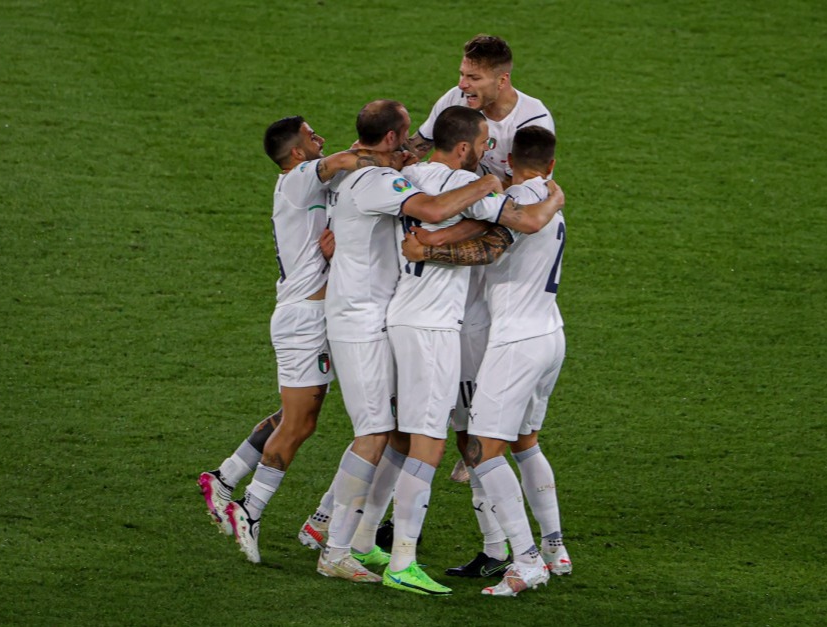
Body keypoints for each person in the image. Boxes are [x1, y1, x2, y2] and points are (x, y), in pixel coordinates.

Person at [314, 99, 506, 584]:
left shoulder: (402, 176)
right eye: (483, 144)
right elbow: (508, 222)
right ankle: (398, 559)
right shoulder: (442, 182)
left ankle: (358, 541)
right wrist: (500, 185)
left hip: (393, 316)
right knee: (417, 440)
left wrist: (439, 237)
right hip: (420, 325)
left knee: (397, 435)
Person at [198, 116, 404, 564]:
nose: (320, 140)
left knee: (296, 414)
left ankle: (225, 477)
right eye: (312, 137)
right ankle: (249, 511)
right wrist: (389, 150)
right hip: (302, 319)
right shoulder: (295, 180)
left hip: (316, 315)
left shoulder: (312, 184)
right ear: (295, 151)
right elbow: (350, 156)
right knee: (299, 424)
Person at [380, 105, 566, 595]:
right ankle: (550, 548)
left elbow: (494, 242)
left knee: (478, 450)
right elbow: (505, 224)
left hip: (506, 340)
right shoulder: (539, 193)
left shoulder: (427, 179)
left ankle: (521, 559)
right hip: (548, 333)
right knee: (521, 444)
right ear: (551, 163)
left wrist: (429, 248)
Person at [406, 34, 554, 188]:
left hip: (504, 204)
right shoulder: (456, 98)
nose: (462, 85)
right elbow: (418, 146)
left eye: (474, 78)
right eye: (462, 74)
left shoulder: (532, 120)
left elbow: (523, 190)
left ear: (502, 80)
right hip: (463, 197)